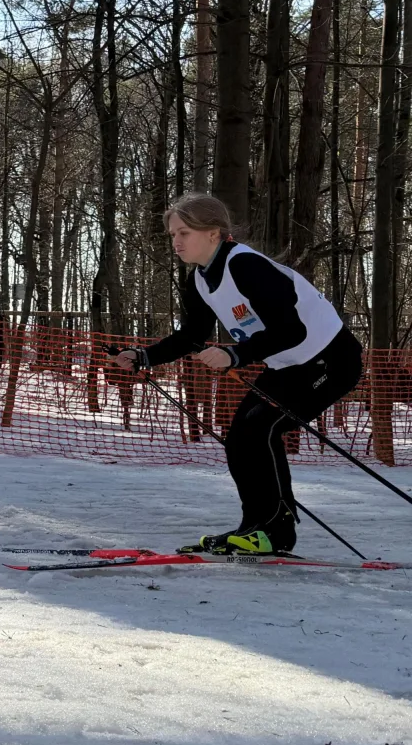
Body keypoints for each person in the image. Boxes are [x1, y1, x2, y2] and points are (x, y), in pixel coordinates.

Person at [109, 193, 361, 554]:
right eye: (172, 234)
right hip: (287, 365)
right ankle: (255, 526)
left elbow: (292, 330)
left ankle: (275, 531)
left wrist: (235, 355)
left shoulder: (245, 265)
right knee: (240, 436)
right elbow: (191, 335)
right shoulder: (200, 277)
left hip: (330, 360)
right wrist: (145, 356)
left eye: (184, 232)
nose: (176, 241)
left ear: (213, 233)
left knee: (261, 428)